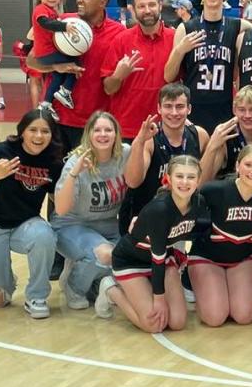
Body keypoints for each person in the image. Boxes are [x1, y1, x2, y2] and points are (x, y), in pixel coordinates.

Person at [0, 109, 63, 319]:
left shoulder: (53, 163)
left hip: (25, 225)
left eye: (45, 131)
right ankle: (5, 279)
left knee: (45, 235)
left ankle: (37, 296)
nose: (39, 136)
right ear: (22, 132)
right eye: (33, 130)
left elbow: (61, 203)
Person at [98, 155, 207, 332]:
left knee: (178, 323)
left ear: (199, 180)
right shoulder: (160, 210)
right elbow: (157, 260)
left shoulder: (198, 203)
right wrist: (159, 299)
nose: (185, 182)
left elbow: (198, 230)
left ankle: (144, 290)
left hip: (164, 260)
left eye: (191, 177)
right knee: (154, 325)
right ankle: (110, 289)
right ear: (169, 178)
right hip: (132, 261)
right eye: (179, 176)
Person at [27, 0, 126, 150]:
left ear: (102, 2)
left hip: (93, 123)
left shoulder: (118, 33)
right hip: (56, 119)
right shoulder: (61, 22)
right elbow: (31, 61)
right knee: (55, 176)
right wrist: (55, 67)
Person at [52, 111, 131, 311]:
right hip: (71, 225)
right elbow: (60, 209)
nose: (103, 134)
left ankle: (89, 274)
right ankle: (73, 285)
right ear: (89, 134)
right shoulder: (76, 161)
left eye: (108, 130)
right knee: (106, 255)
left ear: (116, 134)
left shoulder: (125, 154)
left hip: (108, 223)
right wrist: (74, 173)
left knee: (133, 254)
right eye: (97, 130)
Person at [189, 144, 252, 326]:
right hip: (208, 257)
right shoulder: (215, 190)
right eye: (248, 165)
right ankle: (198, 286)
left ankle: (225, 289)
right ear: (237, 166)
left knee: (243, 317)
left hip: (243, 259)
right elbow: (183, 207)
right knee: (215, 318)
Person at [165, 0, 252, 135]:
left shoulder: (238, 26)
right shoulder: (186, 28)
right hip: (194, 110)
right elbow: (169, 76)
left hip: (224, 109)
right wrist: (180, 51)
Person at [122, 84, 209, 236]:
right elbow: (132, 182)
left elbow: (206, 180)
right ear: (159, 108)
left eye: (180, 106)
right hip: (146, 217)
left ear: (189, 109)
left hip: (182, 221)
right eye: (168, 106)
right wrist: (139, 142)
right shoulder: (149, 140)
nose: (174, 112)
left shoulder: (199, 135)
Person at [102, 0, 175, 140]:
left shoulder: (175, 39)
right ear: (133, 10)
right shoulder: (121, 40)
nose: (147, 10)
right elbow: (108, 89)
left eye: (152, 5)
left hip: (166, 129)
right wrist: (118, 76)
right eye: (141, 6)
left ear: (160, 5)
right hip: (127, 128)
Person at [32, 0, 82, 114]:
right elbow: (45, 22)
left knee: (59, 74)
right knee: (74, 63)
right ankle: (66, 90)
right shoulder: (41, 9)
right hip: (47, 52)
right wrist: (64, 26)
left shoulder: (53, 11)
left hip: (47, 52)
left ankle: (46, 103)